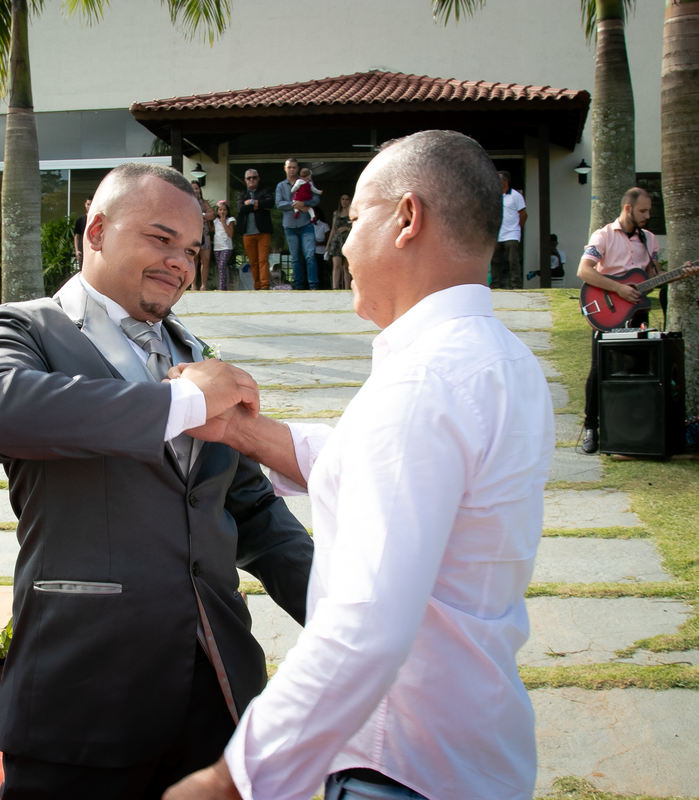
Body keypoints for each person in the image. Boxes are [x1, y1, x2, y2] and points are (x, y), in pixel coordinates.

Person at [164, 130, 556, 800]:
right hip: (470, 746)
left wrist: (231, 780)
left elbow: (363, 626)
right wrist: (240, 430)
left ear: (407, 219)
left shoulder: (424, 382)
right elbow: (378, 471)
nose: (340, 245)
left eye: (352, 221)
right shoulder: (499, 359)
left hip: (402, 761)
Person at [0, 162, 313, 800]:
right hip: (84, 691)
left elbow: (253, 509)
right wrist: (181, 406)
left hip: (217, 692)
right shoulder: (27, 329)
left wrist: (348, 612)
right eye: (160, 238)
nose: (180, 262)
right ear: (96, 229)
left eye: (192, 249)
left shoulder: (196, 355)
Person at [576, 187, 699, 453]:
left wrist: (681, 273)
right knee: (598, 370)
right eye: (643, 211)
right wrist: (619, 288)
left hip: (637, 313)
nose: (647, 216)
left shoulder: (649, 239)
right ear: (628, 209)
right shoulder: (603, 235)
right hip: (607, 310)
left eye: (649, 211)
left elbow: (654, 275)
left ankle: (631, 428)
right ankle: (591, 428)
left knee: (638, 369)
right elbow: (584, 271)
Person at [276, 158, 320, 290]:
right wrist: (296, 205)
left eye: (294, 167)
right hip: (290, 226)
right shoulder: (281, 186)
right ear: (285, 168)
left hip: (306, 224)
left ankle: (314, 285)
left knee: (310, 256)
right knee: (295, 258)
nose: (292, 170)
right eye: (289, 167)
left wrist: (305, 203)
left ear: (298, 168)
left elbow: (316, 198)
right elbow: (278, 204)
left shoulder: (307, 181)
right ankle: (299, 286)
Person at [234, 170, 275, 290]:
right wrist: (261, 206)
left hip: (263, 232)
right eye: (249, 178)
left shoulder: (265, 190)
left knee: (263, 260)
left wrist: (251, 203)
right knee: (253, 261)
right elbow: (241, 208)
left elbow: (270, 203)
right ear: (245, 180)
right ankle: (257, 286)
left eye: (254, 177)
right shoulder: (241, 193)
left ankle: (265, 286)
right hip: (247, 233)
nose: (251, 180)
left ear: (258, 179)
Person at [490, 170, 526, 290]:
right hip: (498, 234)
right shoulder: (496, 196)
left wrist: (517, 228)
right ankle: (495, 285)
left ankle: (516, 285)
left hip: (511, 234)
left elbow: (524, 214)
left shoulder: (516, 196)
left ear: (505, 181)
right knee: (495, 261)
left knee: (513, 261)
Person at [190, 180, 217, 291]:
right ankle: (193, 285)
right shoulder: (187, 202)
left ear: (200, 189)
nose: (195, 190)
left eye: (197, 188)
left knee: (205, 261)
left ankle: (203, 286)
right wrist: (204, 217)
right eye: (193, 188)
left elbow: (212, 215)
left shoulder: (204, 202)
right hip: (192, 233)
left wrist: (201, 215)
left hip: (204, 234)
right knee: (193, 260)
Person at [327, 193, 353, 290]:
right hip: (336, 241)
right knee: (336, 265)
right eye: (343, 199)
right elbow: (333, 229)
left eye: (347, 199)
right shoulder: (336, 213)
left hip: (347, 240)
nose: (344, 201)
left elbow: (356, 227)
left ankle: (347, 288)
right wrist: (328, 244)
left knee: (346, 267)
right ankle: (335, 287)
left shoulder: (352, 213)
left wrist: (346, 228)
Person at [213, 200, 236, 291]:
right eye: (220, 210)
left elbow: (230, 234)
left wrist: (223, 222)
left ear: (227, 211)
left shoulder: (230, 220)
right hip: (217, 247)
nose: (222, 212)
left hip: (226, 247)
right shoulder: (215, 221)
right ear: (217, 211)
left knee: (222, 265)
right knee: (220, 267)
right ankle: (223, 286)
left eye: (224, 210)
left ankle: (222, 288)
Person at [311, 208, 331, 289]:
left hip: (320, 252)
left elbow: (328, 240)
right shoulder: (309, 224)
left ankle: (321, 286)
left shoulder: (324, 225)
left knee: (320, 270)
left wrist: (319, 243)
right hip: (311, 251)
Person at [74, 197, 93, 268]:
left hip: (95, 250)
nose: (90, 206)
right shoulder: (80, 219)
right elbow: (76, 236)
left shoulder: (98, 218)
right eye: (88, 204)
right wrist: (77, 250)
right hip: (83, 250)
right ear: (85, 204)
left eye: (92, 204)